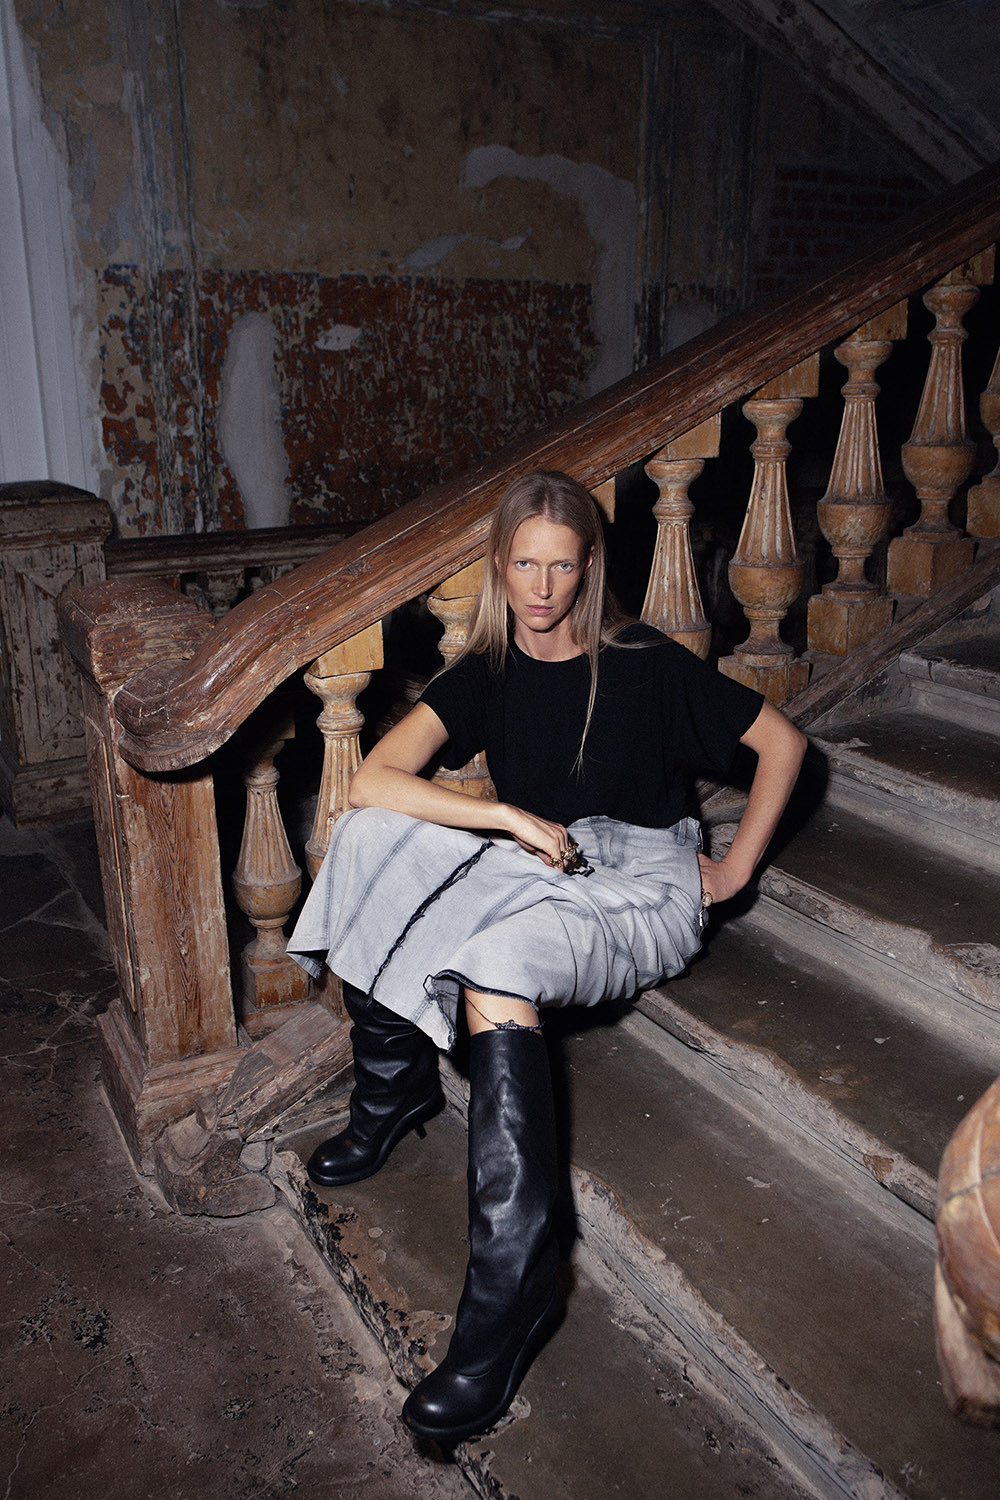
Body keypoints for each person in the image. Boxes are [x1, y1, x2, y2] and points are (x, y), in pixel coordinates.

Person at [288, 469, 806, 1447]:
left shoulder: (643, 663)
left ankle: (510, 1294)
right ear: (498, 565)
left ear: (588, 567)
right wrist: (501, 816)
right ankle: (392, 1090)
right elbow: (373, 781)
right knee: (366, 840)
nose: (540, 587)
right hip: (540, 859)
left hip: (638, 882)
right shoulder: (487, 669)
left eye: (560, 566)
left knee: (495, 961)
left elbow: (783, 743)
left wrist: (734, 869)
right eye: (523, 564)